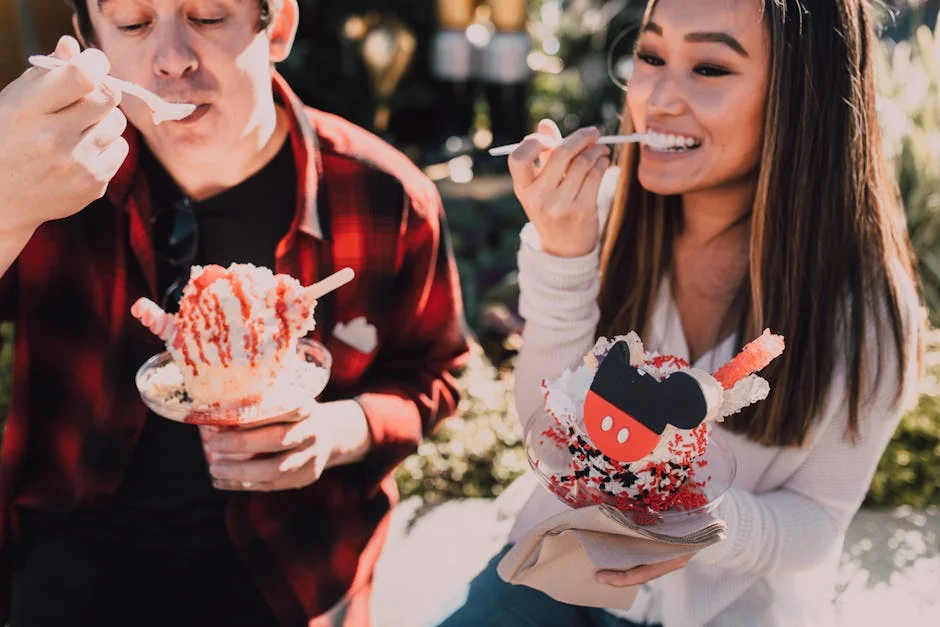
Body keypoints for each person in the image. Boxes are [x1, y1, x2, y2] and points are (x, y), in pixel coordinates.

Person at [434, 0, 925, 625]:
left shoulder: (868, 315)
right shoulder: (594, 219)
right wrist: (564, 253)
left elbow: (817, 524)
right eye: (650, 55)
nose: (658, 96)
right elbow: (546, 435)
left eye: (711, 68)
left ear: (804, 97)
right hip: (553, 577)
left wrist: (687, 516)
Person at [0, 1, 469, 626]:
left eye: (209, 16)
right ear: (89, 42)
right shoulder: (49, 184)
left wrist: (336, 432)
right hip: (74, 552)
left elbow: (433, 377)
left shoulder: (387, 197)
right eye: (134, 25)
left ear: (275, 26)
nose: (171, 60)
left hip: (294, 566)